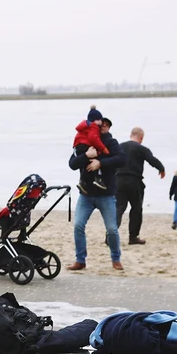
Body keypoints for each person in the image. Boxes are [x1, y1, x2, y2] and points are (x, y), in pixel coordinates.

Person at [67, 116, 127, 271]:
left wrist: (101, 163)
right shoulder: (84, 143)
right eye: (102, 124)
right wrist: (86, 156)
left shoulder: (111, 143)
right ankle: (80, 260)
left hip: (106, 195)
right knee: (78, 226)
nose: (104, 127)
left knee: (112, 229)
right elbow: (72, 164)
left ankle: (116, 258)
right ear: (95, 126)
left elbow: (122, 159)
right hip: (86, 195)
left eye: (107, 125)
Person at [114, 127, 165, 245]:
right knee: (136, 209)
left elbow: (111, 161)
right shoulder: (141, 149)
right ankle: (133, 237)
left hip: (119, 180)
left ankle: (110, 234)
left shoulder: (119, 147)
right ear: (141, 138)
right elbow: (152, 160)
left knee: (119, 208)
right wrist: (161, 169)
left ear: (131, 135)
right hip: (134, 181)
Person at [72, 106, 109, 194]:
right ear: (93, 120)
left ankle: (83, 182)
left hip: (78, 146)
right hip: (84, 146)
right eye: (99, 120)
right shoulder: (93, 127)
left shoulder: (85, 127)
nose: (100, 122)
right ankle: (97, 179)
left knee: (86, 164)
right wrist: (103, 149)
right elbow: (93, 139)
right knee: (93, 159)